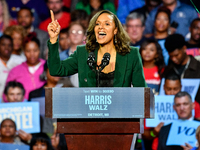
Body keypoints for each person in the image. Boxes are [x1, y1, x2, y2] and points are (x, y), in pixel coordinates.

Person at [47, 9, 147, 88]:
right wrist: (53, 39)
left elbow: (141, 91)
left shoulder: (131, 54)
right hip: (90, 111)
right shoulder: (83, 53)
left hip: (119, 112)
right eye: (97, 24)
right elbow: (56, 70)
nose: (101, 27)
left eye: (107, 24)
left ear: (115, 30)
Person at [5, 33, 46, 101]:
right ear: (24, 52)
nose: (32, 54)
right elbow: (6, 94)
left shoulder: (47, 66)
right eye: (28, 51)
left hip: (45, 106)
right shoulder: (15, 71)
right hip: (23, 109)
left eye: (35, 50)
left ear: (39, 50)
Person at [163, 33, 200, 102]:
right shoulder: (168, 70)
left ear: (184, 48)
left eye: (176, 55)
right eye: (171, 56)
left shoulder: (198, 68)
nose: (174, 59)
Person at [0, 35, 24, 99]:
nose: (6, 48)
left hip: (16, 100)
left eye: (9, 45)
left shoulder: (20, 61)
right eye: (3, 45)